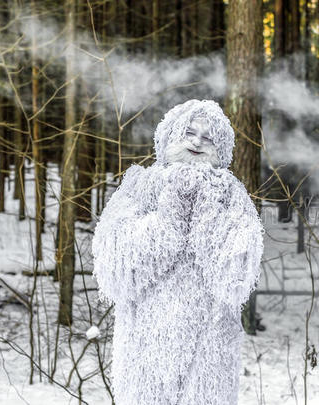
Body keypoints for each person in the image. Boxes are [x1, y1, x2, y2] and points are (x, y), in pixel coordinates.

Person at [92, 99, 264, 405]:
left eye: (208, 137)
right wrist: (166, 222)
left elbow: (237, 273)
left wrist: (207, 216)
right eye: (190, 133)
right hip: (146, 346)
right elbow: (113, 264)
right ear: (172, 135)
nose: (198, 142)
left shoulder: (231, 193)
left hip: (209, 350)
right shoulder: (140, 184)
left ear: (220, 145)